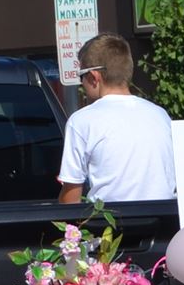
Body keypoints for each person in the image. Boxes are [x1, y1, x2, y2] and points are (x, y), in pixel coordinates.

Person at [58, 34, 176, 204]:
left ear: (94, 77)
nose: (81, 83)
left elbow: (71, 198)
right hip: (164, 222)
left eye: (81, 76)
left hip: (111, 224)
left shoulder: (82, 121)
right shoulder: (160, 115)